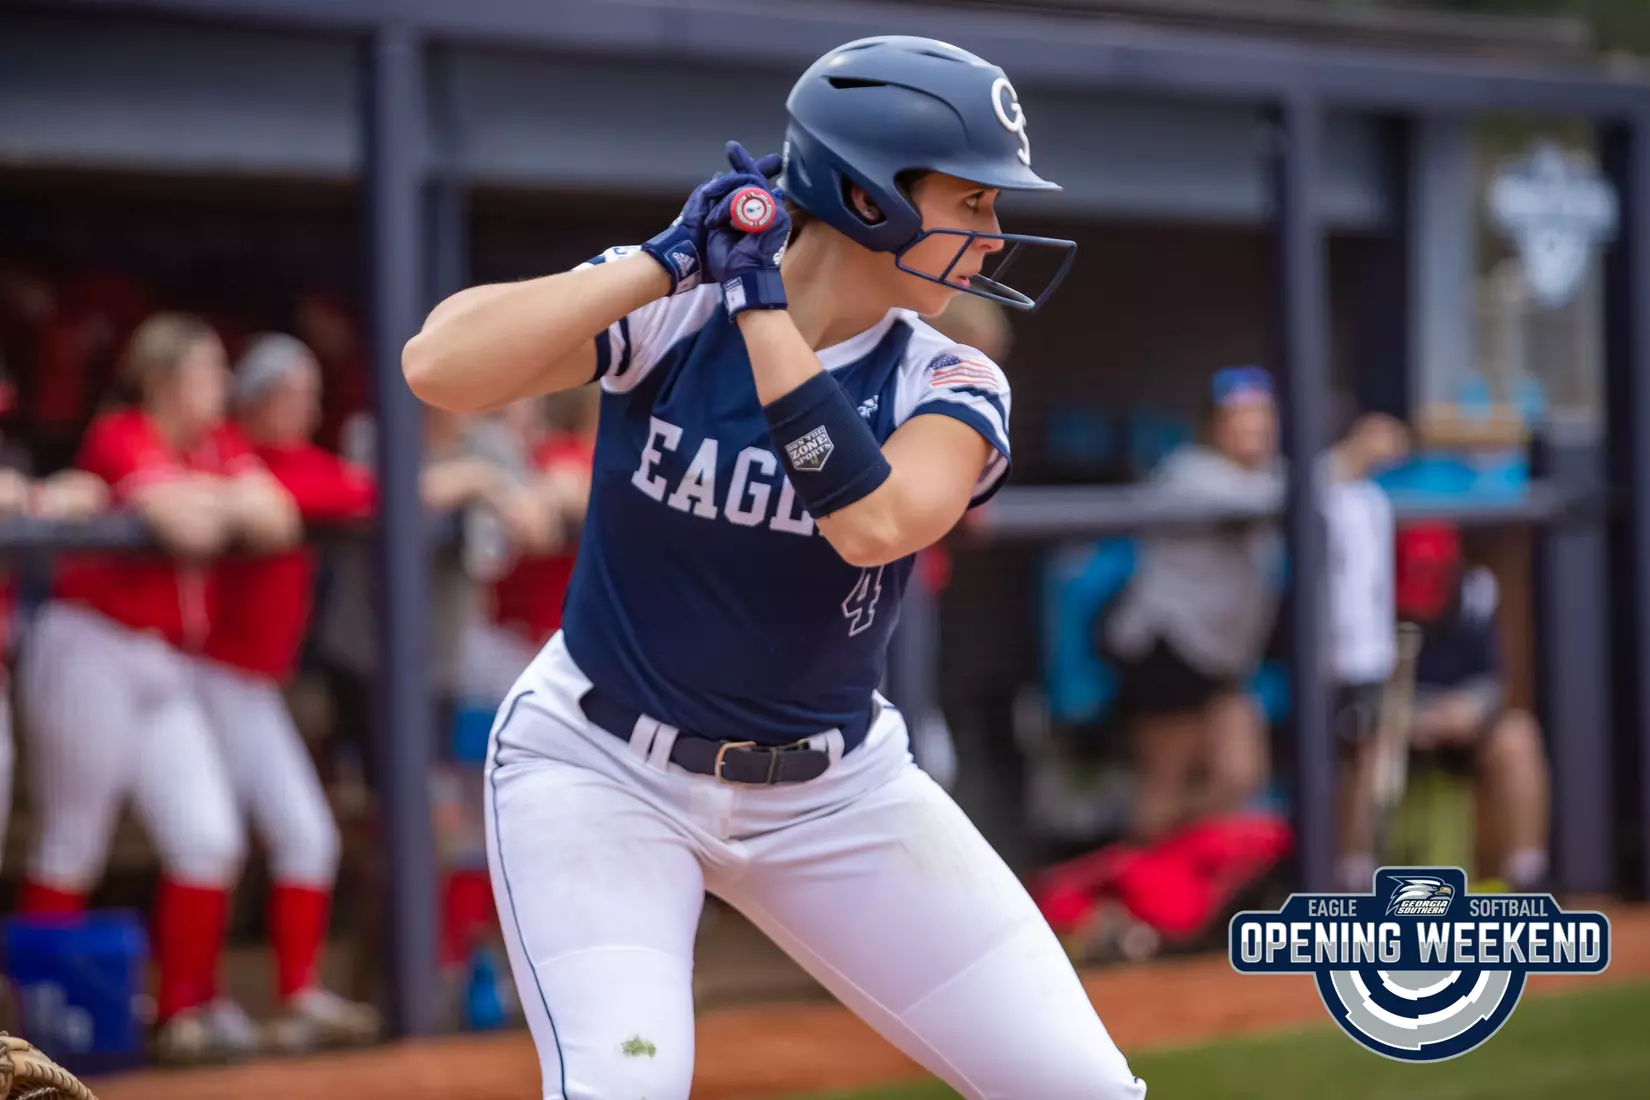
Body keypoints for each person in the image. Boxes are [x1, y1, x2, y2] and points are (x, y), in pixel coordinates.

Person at [403, 36, 1145, 1100]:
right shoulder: (675, 304)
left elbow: (875, 522)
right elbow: (438, 365)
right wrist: (660, 263)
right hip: (600, 768)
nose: (991, 239)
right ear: (866, 194)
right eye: (971, 203)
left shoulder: (950, 372)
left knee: (1083, 1090)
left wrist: (759, 314)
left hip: (837, 789)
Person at [16, 312, 300, 1063]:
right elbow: (191, 531)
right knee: (72, 842)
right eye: (207, 371)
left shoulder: (214, 444)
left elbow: (275, 517)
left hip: (163, 660)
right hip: (90, 648)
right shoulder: (121, 432)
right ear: (164, 380)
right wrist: (216, 500)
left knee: (208, 837)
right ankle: (35, 1035)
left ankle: (181, 1012)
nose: (221, 386)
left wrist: (209, 494)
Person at [193, 334, 383, 1052]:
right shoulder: (228, 450)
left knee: (306, 837)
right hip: (203, 672)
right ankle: (194, 1004)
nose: (305, 407)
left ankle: (296, 996)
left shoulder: (296, 460)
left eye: (308, 393)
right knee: (206, 841)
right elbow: (296, 492)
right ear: (259, 397)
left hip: (254, 685)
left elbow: (362, 489)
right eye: (291, 394)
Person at [1102, 365, 1283, 842]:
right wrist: (1350, 460)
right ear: (1213, 425)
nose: (1253, 430)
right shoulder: (1190, 473)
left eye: (1261, 418)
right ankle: (1131, 900)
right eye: (1239, 419)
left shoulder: (1268, 476)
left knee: (1239, 776)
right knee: (1162, 788)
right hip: (1167, 647)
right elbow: (1276, 500)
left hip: (1223, 658)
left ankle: (1174, 887)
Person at [1342, 521, 1550, 892]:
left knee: (1518, 738)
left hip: (1460, 732)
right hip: (1392, 732)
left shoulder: (1476, 592)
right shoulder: (1365, 596)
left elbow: (1492, 682)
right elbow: (1352, 695)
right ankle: (1354, 882)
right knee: (1370, 752)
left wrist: (1467, 709)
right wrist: (1407, 718)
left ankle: (1526, 877)